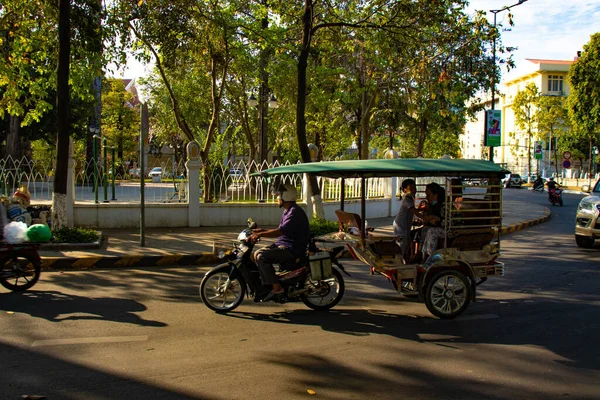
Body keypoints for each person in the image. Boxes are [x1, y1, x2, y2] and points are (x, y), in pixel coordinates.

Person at [249, 183, 310, 301]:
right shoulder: (289, 211)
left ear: (286, 196)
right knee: (255, 254)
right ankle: (268, 283)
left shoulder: (294, 213)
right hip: (284, 244)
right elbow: (281, 230)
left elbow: (280, 231)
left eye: (279, 195)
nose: (277, 197)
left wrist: (261, 234)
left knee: (262, 257)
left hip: (292, 248)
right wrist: (262, 230)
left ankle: (277, 288)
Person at [393, 179, 423, 263]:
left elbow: (413, 210)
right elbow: (414, 212)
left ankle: (404, 259)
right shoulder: (408, 199)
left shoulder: (410, 199)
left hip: (402, 224)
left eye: (415, 187)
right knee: (403, 245)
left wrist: (420, 208)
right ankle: (399, 262)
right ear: (404, 190)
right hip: (401, 225)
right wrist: (425, 217)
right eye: (411, 187)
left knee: (406, 243)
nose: (414, 189)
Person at [420, 183, 446, 261]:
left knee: (432, 231)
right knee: (424, 229)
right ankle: (422, 257)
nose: (426, 197)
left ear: (435, 196)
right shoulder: (432, 206)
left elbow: (447, 223)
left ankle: (430, 259)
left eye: (428, 195)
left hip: (451, 229)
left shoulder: (445, 206)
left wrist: (437, 220)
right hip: (440, 228)